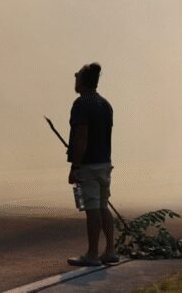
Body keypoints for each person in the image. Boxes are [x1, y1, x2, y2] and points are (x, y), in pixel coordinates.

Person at [66, 62, 119, 267]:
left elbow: (82, 138)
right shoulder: (105, 104)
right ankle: (110, 251)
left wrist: (75, 166)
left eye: (77, 76)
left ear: (83, 81)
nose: (75, 79)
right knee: (103, 206)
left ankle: (92, 254)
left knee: (92, 209)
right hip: (105, 162)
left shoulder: (81, 104)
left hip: (88, 165)